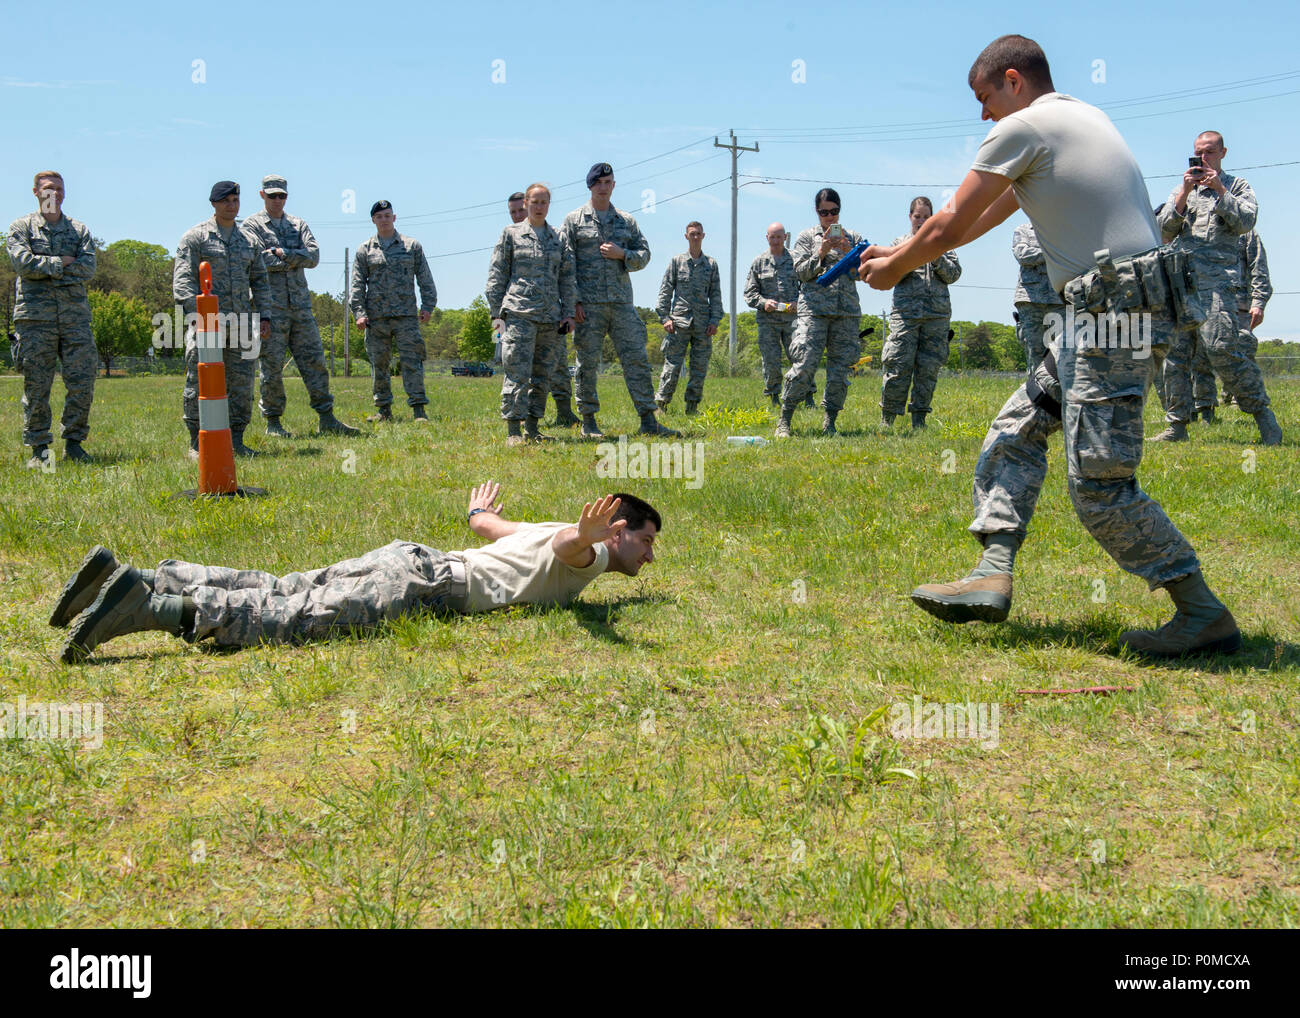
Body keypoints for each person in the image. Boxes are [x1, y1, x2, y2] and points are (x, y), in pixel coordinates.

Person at [861, 34, 1242, 658]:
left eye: (985, 98)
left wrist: (898, 266)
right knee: (1017, 427)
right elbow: (992, 211)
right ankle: (992, 572)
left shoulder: (1026, 127)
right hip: (1109, 310)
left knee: (1098, 485)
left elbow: (949, 222)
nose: (983, 114)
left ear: (1013, 80)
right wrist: (900, 254)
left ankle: (1201, 611)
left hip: (1114, 316)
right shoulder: (1079, 117)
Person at [55, 485, 660, 662]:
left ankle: (148, 577)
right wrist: (586, 537)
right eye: (647, 541)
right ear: (620, 529)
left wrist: (480, 511)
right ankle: (153, 608)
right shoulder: (597, 551)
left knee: (287, 586)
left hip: (414, 560)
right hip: (426, 587)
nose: (648, 557)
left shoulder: (545, 529)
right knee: (294, 617)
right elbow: (568, 549)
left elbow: (488, 530)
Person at [1153, 132, 1281, 445]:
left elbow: (1246, 222)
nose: (1204, 158)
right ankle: (1177, 424)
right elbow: (1163, 231)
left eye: (1210, 152)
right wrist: (1184, 192)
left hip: (1217, 287)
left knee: (1223, 349)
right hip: (1182, 284)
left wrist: (1219, 189)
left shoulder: (1237, 187)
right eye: (1198, 153)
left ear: (1222, 152)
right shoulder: (1183, 189)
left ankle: (1263, 416)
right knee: (1174, 356)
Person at [560, 162, 678, 439]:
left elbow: (645, 254)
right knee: (587, 364)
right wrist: (573, 302)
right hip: (587, 307)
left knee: (636, 359)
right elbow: (565, 264)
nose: (603, 187)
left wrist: (622, 254)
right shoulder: (574, 220)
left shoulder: (626, 221)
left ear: (613, 186)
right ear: (590, 186)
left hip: (622, 304)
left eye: (608, 182)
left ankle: (648, 419)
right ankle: (588, 422)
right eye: (598, 183)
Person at [243, 175, 358, 438]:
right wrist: (294, 257)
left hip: (301, 307)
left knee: (315, 362)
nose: (277, 200)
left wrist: (282, 254)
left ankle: (327, 418)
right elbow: (256, 260)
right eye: (272, 195)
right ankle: (273, 422)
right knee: (271, 367)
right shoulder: (252, 225)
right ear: (262, 195)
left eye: (281, 195)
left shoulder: (298, 224)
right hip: (269, 308)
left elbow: (314, 256)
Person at [174, 181, 273, 458]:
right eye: (226, 200)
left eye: (235, 200)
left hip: (242, 326)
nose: (232, 205)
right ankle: (197, 442)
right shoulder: (196, 238)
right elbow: (183, 282)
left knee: (241, 385)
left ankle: (236, 440)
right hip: (207, 326)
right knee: (200, 383)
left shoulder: (249, 241)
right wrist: (196, 315)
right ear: (214, 203)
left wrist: (264, 316)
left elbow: (261, 282)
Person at [6, 171, 98, 469]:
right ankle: (40, 448)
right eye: (47, 188)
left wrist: (45, 270)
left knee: (82, 382)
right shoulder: (21, 227)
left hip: (74, 319)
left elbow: (88, 268)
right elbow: (23, 264)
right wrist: (61, 264)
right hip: (34, 320)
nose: (53, 193)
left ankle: (74, 444)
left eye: (58, 188)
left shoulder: (79, 230)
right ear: (36, 192)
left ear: (65, 193)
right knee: (37, 387)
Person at [486, 183, 577, 446]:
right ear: (525, 203)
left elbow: (568, 278)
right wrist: (497, 314)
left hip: (550, 318)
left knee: (542, 376)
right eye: (534, 202)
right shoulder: (511, 234)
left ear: (549, 205)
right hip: (519, 315)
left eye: (544, 202)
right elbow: (497, 275)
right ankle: (514, 430)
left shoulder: (558, 238)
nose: (539, 207)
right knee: (517, 372)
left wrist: (568, 313)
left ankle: (533, 427)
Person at [775, 188, 864, 438]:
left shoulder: (853, 238)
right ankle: (785, 419)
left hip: (845, 313)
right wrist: (821, 251)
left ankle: (830, 422)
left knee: (840, 372)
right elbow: (801, 273)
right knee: (803, 365)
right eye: (824, 212)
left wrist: (848, 251)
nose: (829, 217)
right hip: (813, 312)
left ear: (839, 211)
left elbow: (864, 273)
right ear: (817, 212)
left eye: (834, 212)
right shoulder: (805, 237)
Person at [349, 201, 437, 423]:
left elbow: (425, 278)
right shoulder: (365, 249)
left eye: (387, 215)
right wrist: (359, 313)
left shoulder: (411, 246)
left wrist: (428, 305)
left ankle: (418, 410)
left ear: (394, 218)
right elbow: (357, 284)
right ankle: (383, 410)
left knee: (412, 362)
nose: (384, 219)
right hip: (376, 318)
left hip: (406, 316)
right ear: (373, 220)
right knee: (379, 365)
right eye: (379, 216)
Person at [881, 197, 961, 428]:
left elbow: (954, 274)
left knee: (928, 370)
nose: (922, 221)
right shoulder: (900, 243)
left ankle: (920, 419)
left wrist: (935, 256)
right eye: (918, 216)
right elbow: (891, 272)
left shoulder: (943, 244)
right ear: (910, 217)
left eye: (926, 217)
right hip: (906, 316)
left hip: (936, 316)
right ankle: (888, 418)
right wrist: (913, 252)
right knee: (898, 365)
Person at [654, 221, 722, 414]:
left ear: (703, 236)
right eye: (692, 234)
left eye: (698, 234)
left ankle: (692, 406)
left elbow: (716, 295)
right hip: (679, 323)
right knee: (672, 366)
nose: (695, 237)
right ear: (686, 236)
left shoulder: (711, 265)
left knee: (699, 368)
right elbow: (665, 291)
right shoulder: (677, 262)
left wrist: (715, 321)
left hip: (703, 325)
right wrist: (665, 318)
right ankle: (661, 405)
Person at [744, 223, 810, 407]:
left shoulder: (796, 260)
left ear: (785, 238)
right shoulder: (759, 262)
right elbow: (749, 293)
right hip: (768, 322)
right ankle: (774, 397)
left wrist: (799, 303)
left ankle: (807, 396)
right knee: (771, 361)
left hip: (793, 319)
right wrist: (764, 303)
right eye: (772, 237)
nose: (776, 241)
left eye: (779, 237)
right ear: (767, 238)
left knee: (801, 358)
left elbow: (808, 287)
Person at [1223, 229, 1272, 409]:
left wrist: (1259, 302)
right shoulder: (1197, 223)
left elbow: (1259, 267)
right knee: (1205, 353)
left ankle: (1241, 398)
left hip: (1240, 303)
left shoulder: (1246, 231)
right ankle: (1205, 406)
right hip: (1206, 301)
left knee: (1243, 347)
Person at [1011, 221, 1063, 376]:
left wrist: (1042, 254)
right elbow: (1022, 254)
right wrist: (1053, 253)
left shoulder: (1067, 228)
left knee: (1064, 351)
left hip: (1060, 300)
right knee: (1035, 353)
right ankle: (1036, 396)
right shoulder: (1023, 230)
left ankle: (1061, 398)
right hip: (1030, 300)